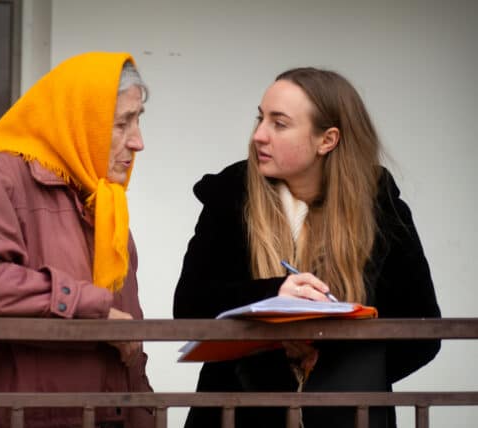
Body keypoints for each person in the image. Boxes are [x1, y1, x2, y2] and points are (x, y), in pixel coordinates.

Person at [173, 67, 441, 428]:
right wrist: (273, 295)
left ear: (327, 140)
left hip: (347, 419)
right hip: (240, 416)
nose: (258, 136)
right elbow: (189, 308)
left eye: (279, 124)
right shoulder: (230, 197)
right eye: (260, 118)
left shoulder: (380, 207)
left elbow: (422, 332)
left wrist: (332, 361)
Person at [0, 52, 154, 428]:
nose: (138, 142)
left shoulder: (104, 205)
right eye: (122, 124)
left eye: (138, 121)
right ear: (79, 121)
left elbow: (124, 348)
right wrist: (92, 308)